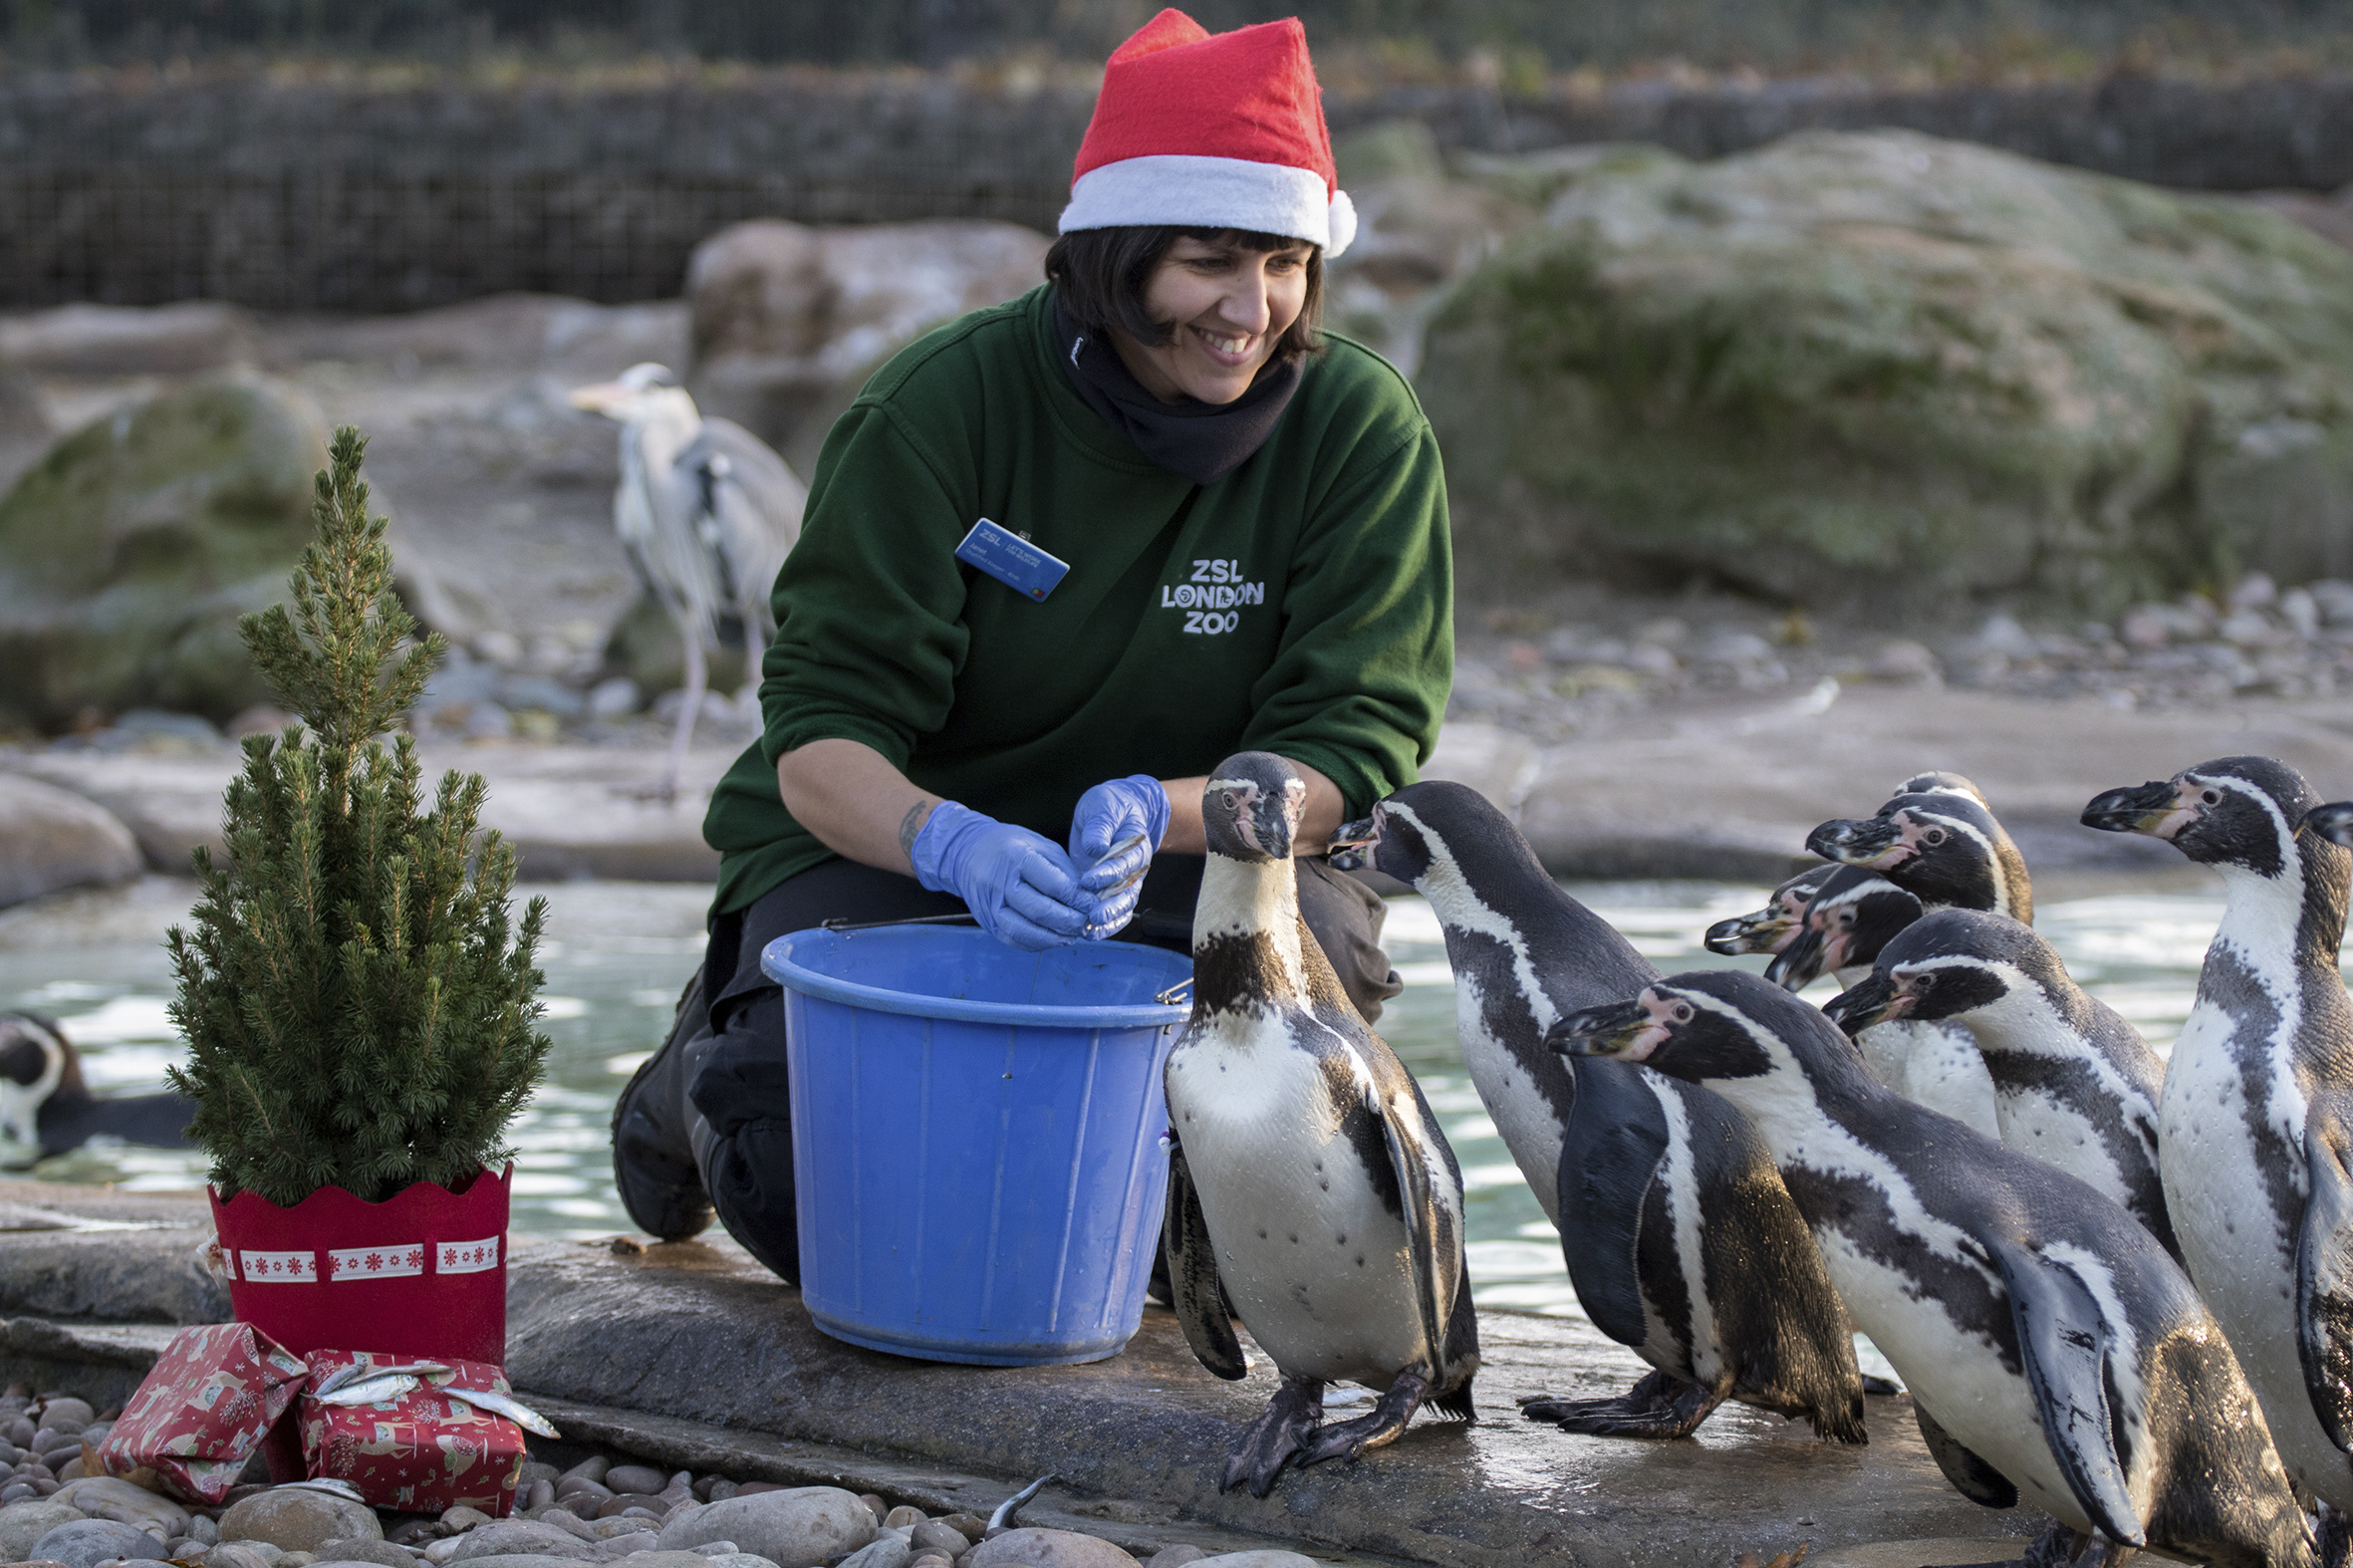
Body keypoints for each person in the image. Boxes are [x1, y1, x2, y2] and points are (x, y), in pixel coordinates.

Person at [611, 7, 1454, 1284]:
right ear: (1115, 255)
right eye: (1208, 262)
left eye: (1283, 262)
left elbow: (1357, 736)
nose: (1251, 309)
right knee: (830, 1208)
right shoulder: (940, 408)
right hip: (899, 848)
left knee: (1242, 1217)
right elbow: (822, 734)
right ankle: (698, 1077)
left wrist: (1162, 811)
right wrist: (952, 838)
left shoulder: (1357, 428)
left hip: (1208, 855)